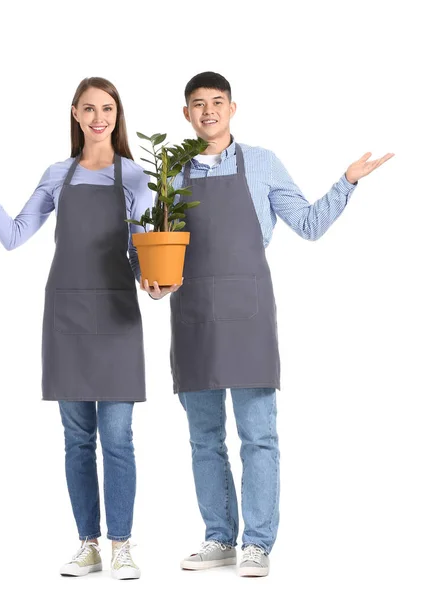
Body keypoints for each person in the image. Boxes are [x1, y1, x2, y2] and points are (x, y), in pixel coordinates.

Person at [143, 71, 394, 577]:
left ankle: (257, 542)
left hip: (249, 316)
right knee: (203, 438)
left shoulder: (260, 163)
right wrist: (152, 280)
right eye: (198, 104)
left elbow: (307, 225)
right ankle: (219, 537)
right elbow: (160, 247)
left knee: (259, 436)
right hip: (193, 318)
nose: (208, 111)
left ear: (233, 108)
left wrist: (346, 182)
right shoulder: (171, 174)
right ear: (186, 115)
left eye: (217, 102)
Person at [0, 77, 156, 580]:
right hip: (65, 317)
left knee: (118, 437)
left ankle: (122, 543)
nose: (99, 117)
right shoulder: (57, 174)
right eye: (89, 109)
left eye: (107, 108)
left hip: (118, 315)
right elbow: (15, 236)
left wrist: (156, 281)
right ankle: (88, 544)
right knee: (77, 438)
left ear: (117, 115)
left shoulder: (136, 177)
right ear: (76, 115)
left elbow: (144, 248)